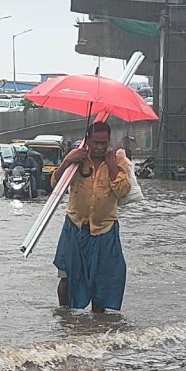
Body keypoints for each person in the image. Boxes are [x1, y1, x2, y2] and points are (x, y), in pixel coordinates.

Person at [51, 121, 131, 313]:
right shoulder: (77, 159)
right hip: (75, 227)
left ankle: (97, 324)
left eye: (104, 143)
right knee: (66, 277)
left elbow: (123, 191)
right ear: (88, 140)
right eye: (95, 142)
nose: (100, 147)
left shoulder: (118, 160)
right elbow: (55, 185)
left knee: (102, 281)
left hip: (105, 230)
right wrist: (68, 161)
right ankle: (65, 317)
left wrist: (112, 167)